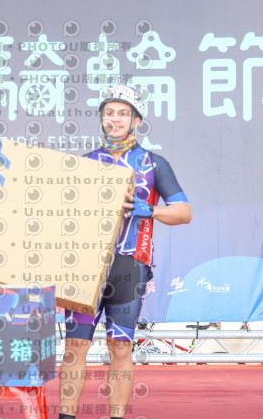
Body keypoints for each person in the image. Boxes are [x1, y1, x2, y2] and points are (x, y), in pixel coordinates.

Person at [59, 85, 192, 419]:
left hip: (129, 266)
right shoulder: (86, 163)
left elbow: (184, 212)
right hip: (85, 268)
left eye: (122, 113)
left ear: (136, 121)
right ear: (101, 119)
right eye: (109, 113)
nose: (114, 119)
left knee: (120, 346)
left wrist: (150, 210)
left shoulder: (153, 164)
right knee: (75, 346)